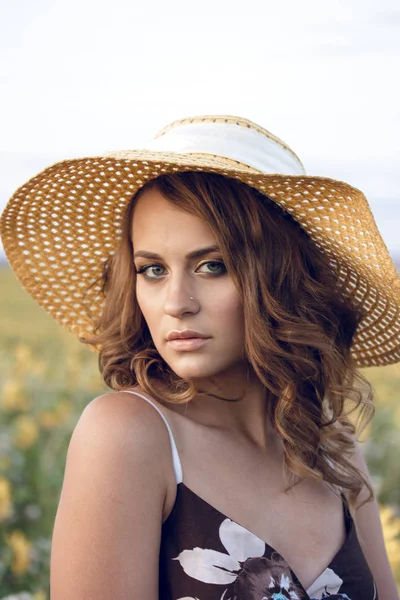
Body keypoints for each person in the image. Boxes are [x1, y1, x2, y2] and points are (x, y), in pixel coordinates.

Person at [1, 115, 399, 600]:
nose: (176, 302)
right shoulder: (129, 436)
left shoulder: (334, 449)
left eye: (212, 266)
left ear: (282, 279)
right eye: (152, 269)